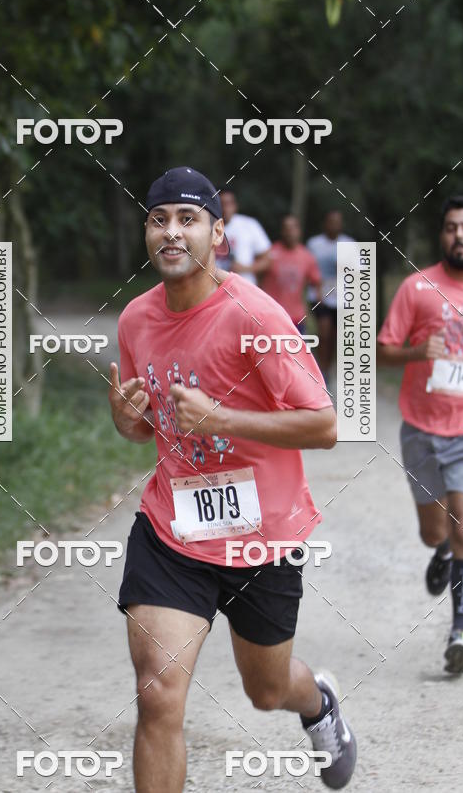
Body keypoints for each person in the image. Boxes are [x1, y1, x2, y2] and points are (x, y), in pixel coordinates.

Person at [108, 165, 357, 792]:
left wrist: (223, 419)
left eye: (188, 219)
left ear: (218, 235)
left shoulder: (256, 314)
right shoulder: (136, 319)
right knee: (158, 693)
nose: (171, 232)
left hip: (260, 540)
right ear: (146, 232)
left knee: (266, 689)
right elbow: (150, 425)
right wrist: (127, 421)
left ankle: (318, 702)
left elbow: (325, 425)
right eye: (158, 219)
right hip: (172, 532)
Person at [377, 195, 463, 674]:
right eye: (452, 227)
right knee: (434, 531)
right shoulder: (417, 288)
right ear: (442, 235)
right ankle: (439, 549)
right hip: (420, 428)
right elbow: (382, 350)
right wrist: (417, 352)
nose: (460, 235)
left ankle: (461, 633)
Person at [306, 212, 354, 382]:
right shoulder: (314, 244)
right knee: (324, 333)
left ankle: (328, 367)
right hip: (320, 295)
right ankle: (321, 370)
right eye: (331, 222)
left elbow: (359, 270)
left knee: (334, 337)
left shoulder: (349, 244)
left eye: (337, 222)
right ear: (325, 224)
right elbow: (307, 268)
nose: (334, 225)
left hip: (342, 298)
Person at [259, 214, 323, 335]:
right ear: (282, 231)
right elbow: (257, 276)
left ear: (299, 231)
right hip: (271, 316)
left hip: (296, 318)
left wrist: (316, 305)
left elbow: (317, 282)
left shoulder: (306, 256)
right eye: (286, 228)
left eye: (293, 228)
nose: (290, 232)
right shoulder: (270, 253)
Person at [215, 189, 270, 284]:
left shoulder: (249, 225)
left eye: (228, 204)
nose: (225, 208)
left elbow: (267, 260)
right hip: (216, 287)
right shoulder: (208, 226)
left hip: (243, 287)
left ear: (235, 206)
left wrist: (245, 268)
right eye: (222, 204)